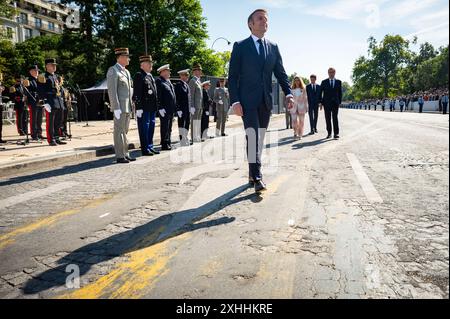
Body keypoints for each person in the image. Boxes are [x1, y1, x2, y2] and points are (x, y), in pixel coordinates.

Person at [228, 8, 294, 193]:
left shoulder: (273, 47)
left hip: (266, 101)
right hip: (247, 102)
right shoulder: (240, 46)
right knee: (253, 136)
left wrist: (288, 93)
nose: (264, 21)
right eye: (260, 18)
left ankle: (251, 172)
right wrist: (235, 102)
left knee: (259, 138)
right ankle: (257, 177)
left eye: (266, 19)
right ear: (251, 24)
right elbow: (232, 77)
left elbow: (281, 74)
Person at [106, 48, 135, 163]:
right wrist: (115, 107)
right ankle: (119, 155)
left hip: (127, 107)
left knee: (125, 131)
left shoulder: (126, 72)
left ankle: (125, 153)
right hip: (120, 107)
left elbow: (129, 91)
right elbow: (112, 91)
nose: (129, 59)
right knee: (119, 131)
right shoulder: (113, 70)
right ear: (121, 57)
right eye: (127, 56)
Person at [133, 55, 160, 156]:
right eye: (148, 63)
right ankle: (145, 148)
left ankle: (150, 146)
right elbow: (137, 92)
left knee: (151, 127)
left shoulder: (149, 76)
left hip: (152, 107)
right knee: (144, 127)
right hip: (144, 107)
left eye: (151, 63)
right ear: (142, 65)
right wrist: (138, 107)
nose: (150, 65)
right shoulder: (139, 75)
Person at [37, 59, 66, 146]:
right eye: (52, 65)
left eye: (55, 65)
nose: (54, 66)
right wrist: (45, 102)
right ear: (46, 66)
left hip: (58, 101)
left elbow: (59, 89)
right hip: (50, 101)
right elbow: (41, 91)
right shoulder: (43, 77)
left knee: (58, 121)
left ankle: (57, 138)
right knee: (50, 122)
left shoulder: (57, 77)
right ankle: (51, 139)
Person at [156, 64, 177, 151]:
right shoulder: (159, 81)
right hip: (164, 109)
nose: (169, 73)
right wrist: (160, 107)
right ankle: (164, 144)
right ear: (163, 72)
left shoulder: (168, 81)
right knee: (165, 127)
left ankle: (168, 142)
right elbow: (158, 95)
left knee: (169, 127)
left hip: (170, 109)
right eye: (168, 71)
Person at [320, 68, 342, 139]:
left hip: (335, 103)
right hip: (326, 103)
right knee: (328, 118)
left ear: (335, 72)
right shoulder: (324, 82)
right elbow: (320, 93)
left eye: (332, 72)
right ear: (328, 73)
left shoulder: (339, 82)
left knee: (335, 118)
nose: (331, 73)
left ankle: (336, 133)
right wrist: (321, 102)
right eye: (330, 72)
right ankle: (329, 133)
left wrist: (339, 102)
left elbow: (340, 93)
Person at [25, 65, 43, 141]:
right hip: (33, 101)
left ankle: (39, 133)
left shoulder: (39, 80)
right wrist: (36, 94)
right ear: (30, 72)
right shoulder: (28, 80)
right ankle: (34, 134)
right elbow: (27, 91)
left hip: (40, 101)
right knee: (34, 118)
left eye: (37, 71)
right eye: (35, 70)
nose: (37, 72)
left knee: (39, 118)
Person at [175, 69, 191, 146]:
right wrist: (178, 109)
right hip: (181, 109)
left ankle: (185, 137)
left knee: (187, 124)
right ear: (181, 76)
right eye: (185, 75)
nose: (186, 77)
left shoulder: (186, 85)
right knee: (182, 124)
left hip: (187, 109)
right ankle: (182, 140)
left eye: (187, 75)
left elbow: (189, 98)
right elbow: (176, 98)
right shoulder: (178, 85)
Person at [189, 64, 203, 143]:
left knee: (198, 121)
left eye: (199, 71)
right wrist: (192, 106)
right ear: (193, 72)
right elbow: (191, 95)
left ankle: (197, 136)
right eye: (197, 71)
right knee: (194, 121)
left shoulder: (198, 81)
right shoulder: (192, 81)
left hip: (199, 105)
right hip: (195, 106)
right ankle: (193, 137)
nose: (199, 72)